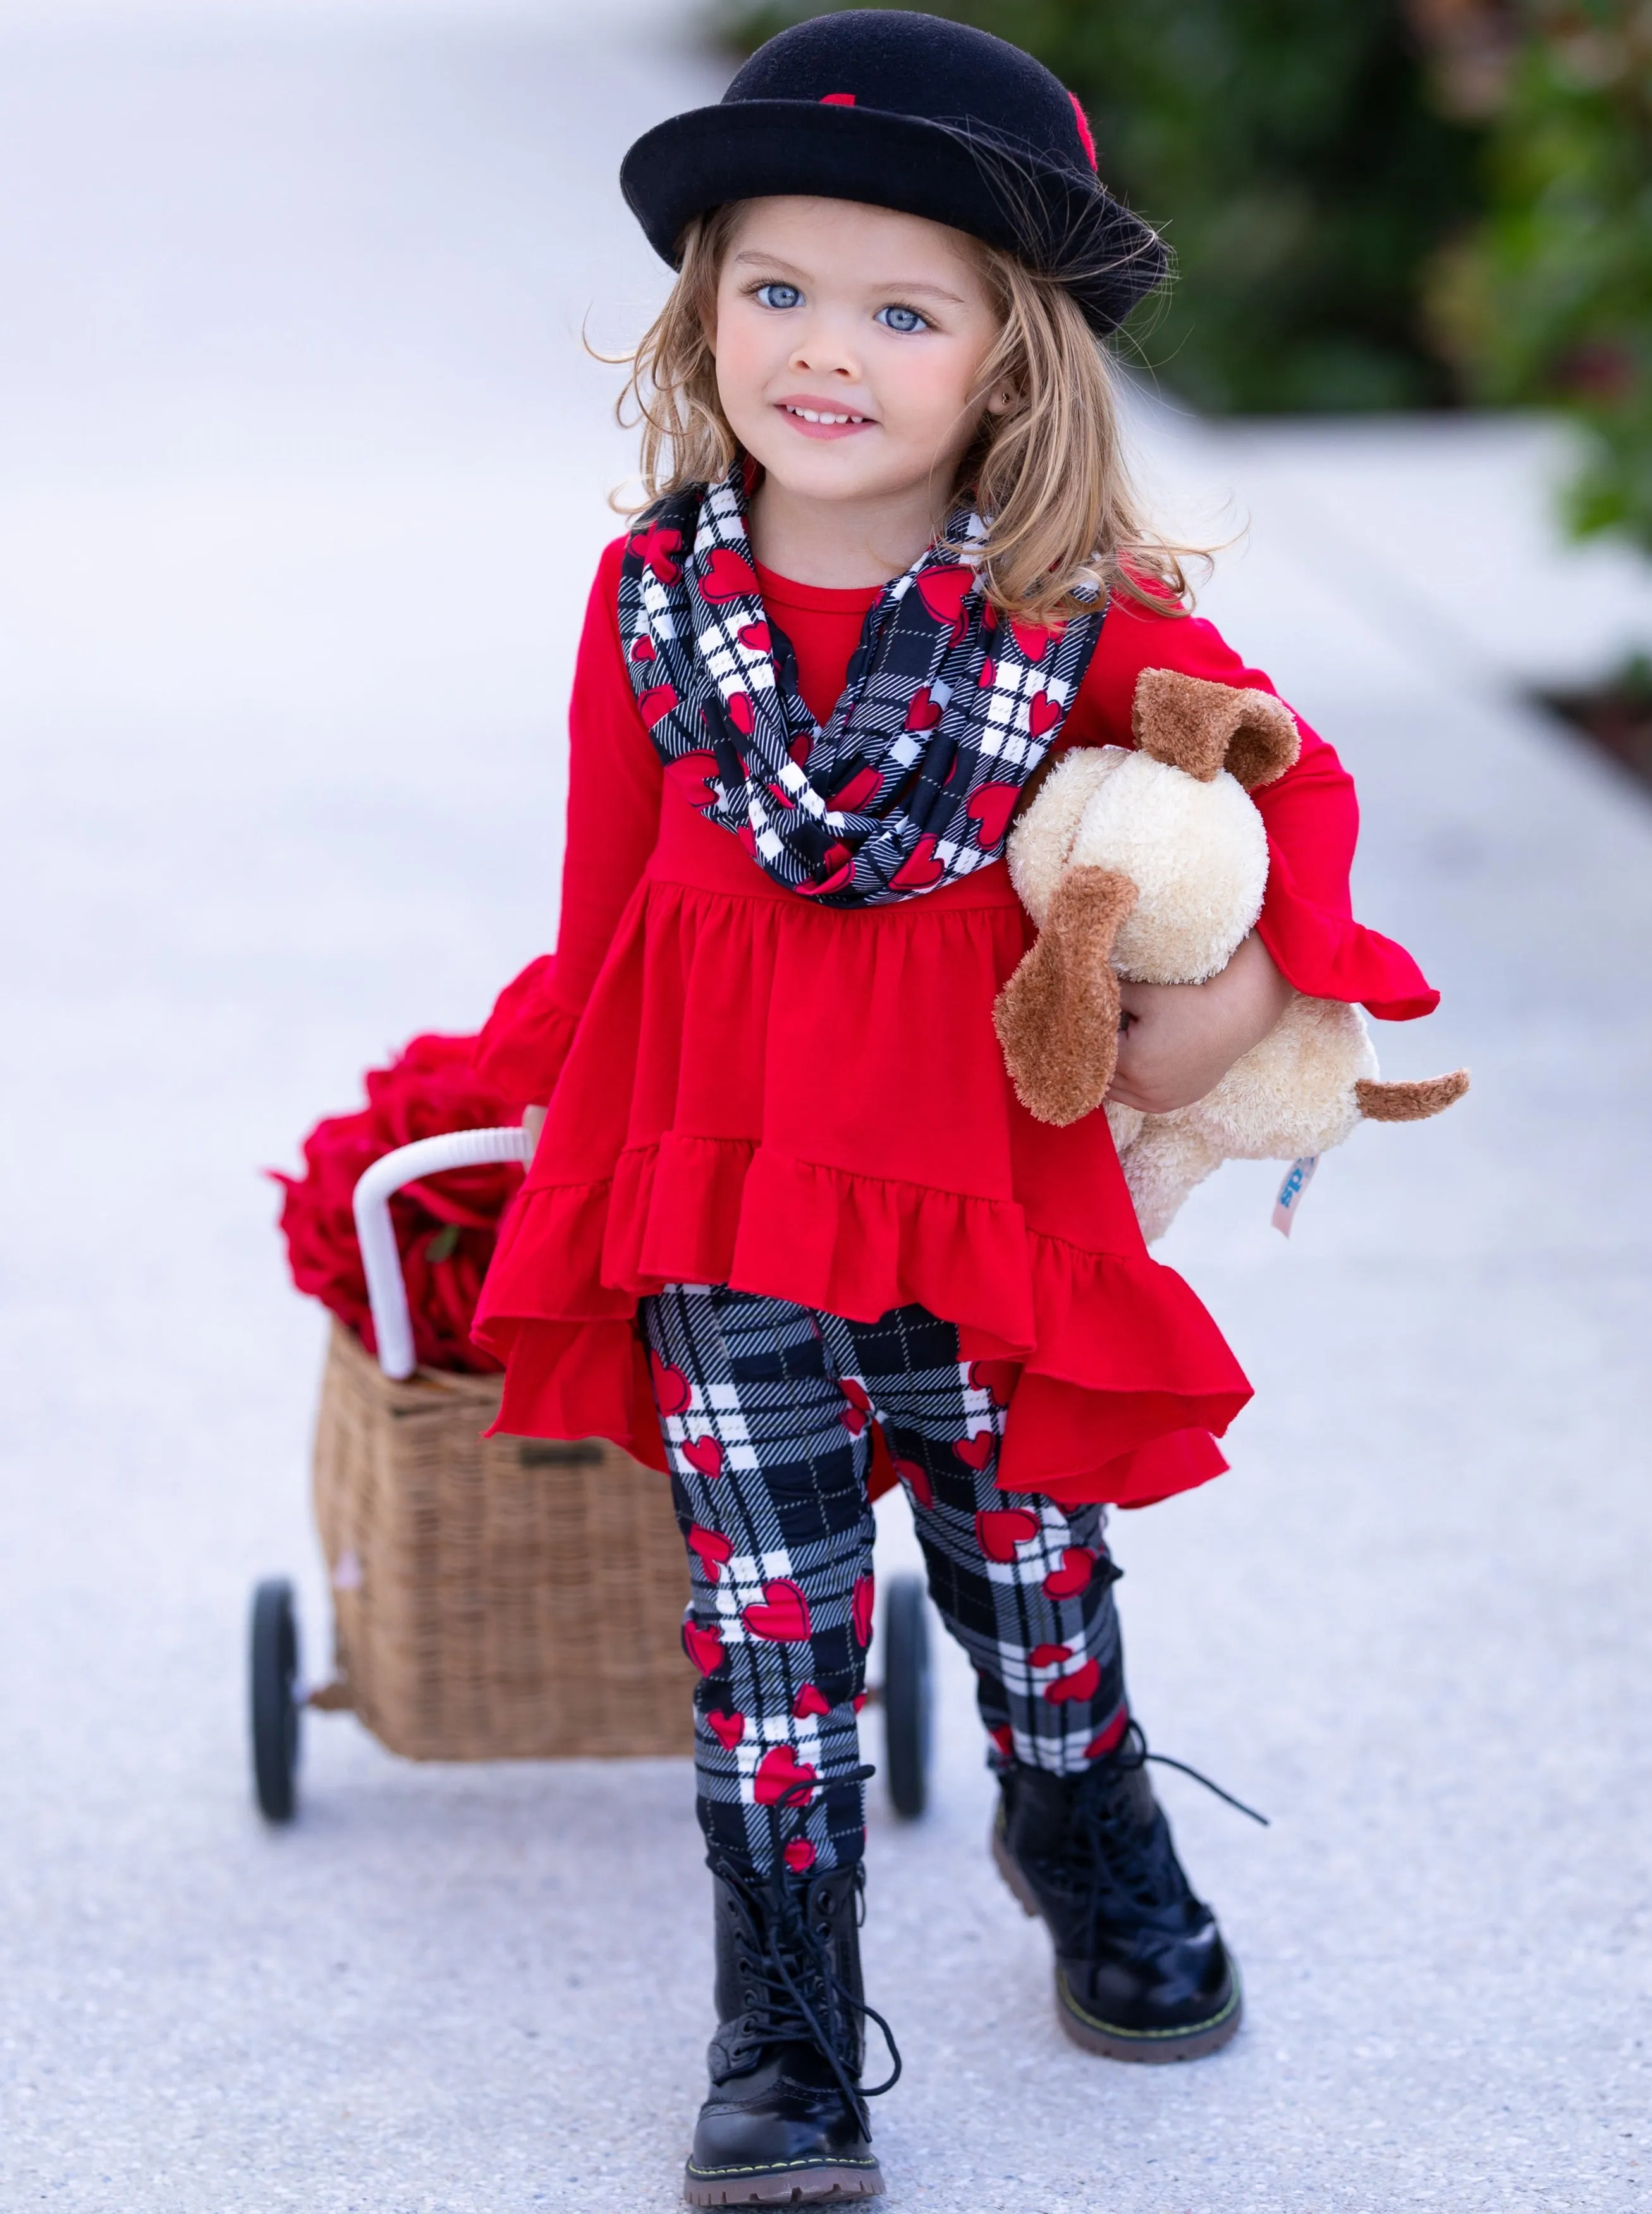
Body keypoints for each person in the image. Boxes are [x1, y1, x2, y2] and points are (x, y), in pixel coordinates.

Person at [472, 12, 1439, 2204]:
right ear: (703, 307)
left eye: (902, 309)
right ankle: (788, 2018)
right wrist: (548, 1121)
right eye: (777, 291)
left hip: (977, 1192)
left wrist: (1244, 1005)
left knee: (1023, 1555)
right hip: (719, 1193)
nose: (824, 351)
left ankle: (1080, 1808)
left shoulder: (1081, 619)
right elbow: (606, 897)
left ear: (1009, 359)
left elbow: (1295, 798)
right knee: (770, 1613)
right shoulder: (648, 604)